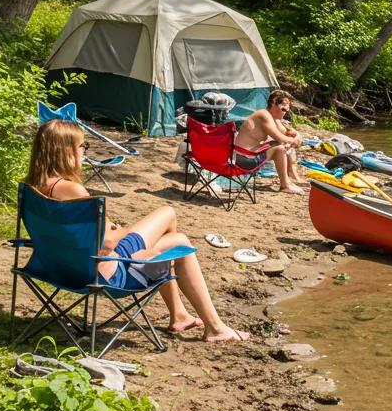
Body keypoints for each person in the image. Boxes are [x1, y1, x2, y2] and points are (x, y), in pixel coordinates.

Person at [26, 120, 248, 342]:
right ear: (65, 151)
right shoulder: (72, 189)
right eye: (83, 146)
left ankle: (180, 314)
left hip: (58, 268)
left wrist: (111, 229)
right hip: (105, 274)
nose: (85, 152)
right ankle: (214, 327)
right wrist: (122, 229)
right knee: (178, 237)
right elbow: (108, 243)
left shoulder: (33, 188)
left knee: (174, 232)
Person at [234, 89, 304, 194]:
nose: (287, 109)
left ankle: (290, 177)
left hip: (246, 156)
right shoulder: (263, 115)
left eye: (288, 106)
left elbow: (288, 133)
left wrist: (297, 136)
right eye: (284, 106)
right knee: (279, 148)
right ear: (274, 102)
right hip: (243, 159)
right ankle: (285, 185)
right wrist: (294, 140)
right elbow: (281, 138)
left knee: (280, 145)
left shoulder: (273, 118)